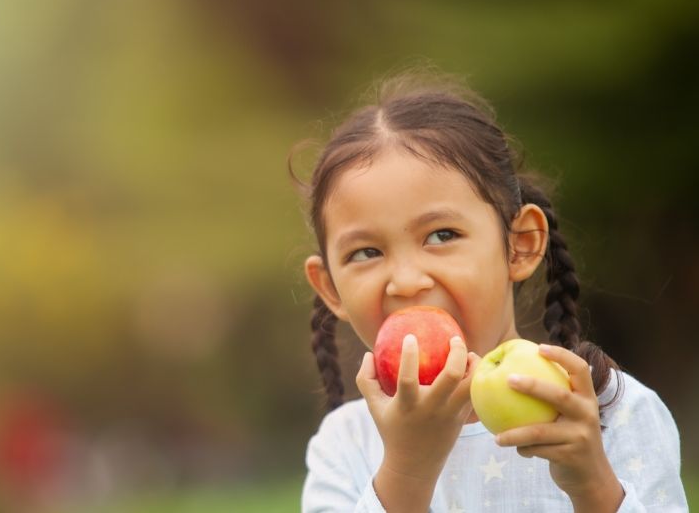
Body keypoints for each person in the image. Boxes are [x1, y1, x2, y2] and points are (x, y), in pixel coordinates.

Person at [293, 68, 688, 512]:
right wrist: (407, 468)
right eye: (365, 252)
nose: (406, 281)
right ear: (330, 288)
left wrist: (593, 487)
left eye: (442, 235)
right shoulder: (347, 444)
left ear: (520, 246)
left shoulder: (610, 413)